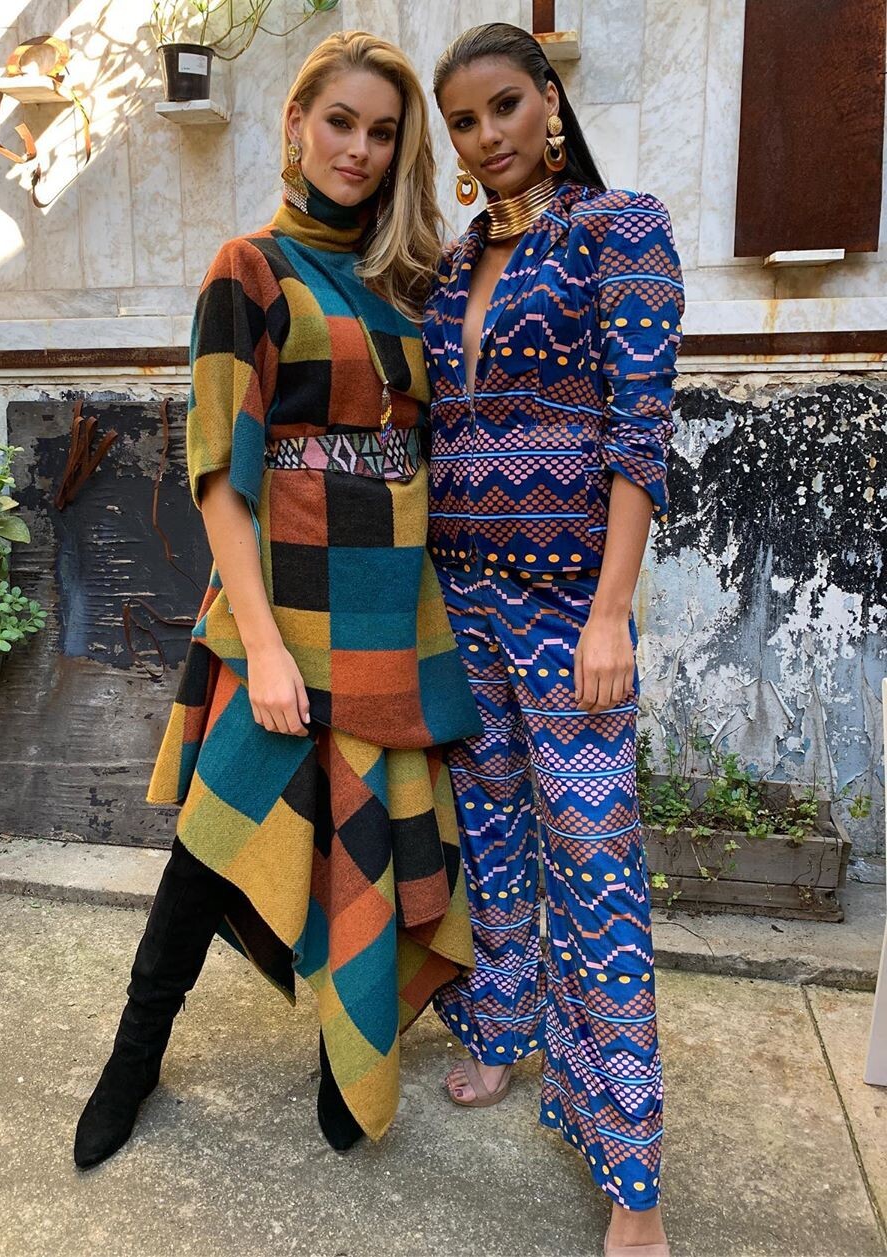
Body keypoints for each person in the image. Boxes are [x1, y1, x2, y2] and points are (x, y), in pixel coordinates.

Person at [73, 29, 481, 1170]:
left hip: (390, 618)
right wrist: (259, 644)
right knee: (215, 840)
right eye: (340, 121)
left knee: (370, 837)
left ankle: (349, 1056)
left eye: (383, 132)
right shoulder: (247, 270)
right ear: (297, 123)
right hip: (285, 613)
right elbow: (220, 468)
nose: (359, 149)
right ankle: (132, 1061)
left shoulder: (408, 284)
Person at [424, 23, 684, 1257]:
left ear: (550, 103)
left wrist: (610, 609)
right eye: (464, 122)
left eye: (505, 107)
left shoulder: (618, 229)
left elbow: (641, 428)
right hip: (460, 594)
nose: (488, 137)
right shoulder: (454, 262)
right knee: (491, 837)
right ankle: (503, 1034)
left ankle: (634, 1177)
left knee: (596, 864)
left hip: (568, 603)